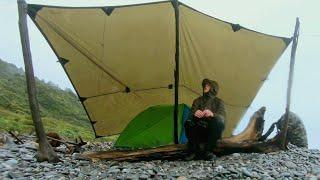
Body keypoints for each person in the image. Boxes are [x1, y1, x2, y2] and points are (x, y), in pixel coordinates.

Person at [184, 79, 226, 160]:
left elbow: (223, 118)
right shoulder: (197, 101)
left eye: (208, 85)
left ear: (213, 88)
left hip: (212, 132)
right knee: (188, 123)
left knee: (217, 122)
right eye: (205, 85)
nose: (205, 86)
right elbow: (189, 117)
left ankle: (208, 151)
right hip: (199, 132)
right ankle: (194, 151)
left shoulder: (219, 102)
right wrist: (194, 114)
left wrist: (212, 114)